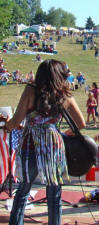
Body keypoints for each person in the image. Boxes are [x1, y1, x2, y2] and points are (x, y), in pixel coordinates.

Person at [3, 59, 85, 225]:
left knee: (23, 191)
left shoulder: (30, 90)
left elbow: (17, 119)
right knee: (54, 192)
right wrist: (60, 134)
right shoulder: (65, 94)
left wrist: (7, 126)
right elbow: (81, 123)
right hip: (54, 145)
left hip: (30, 143)